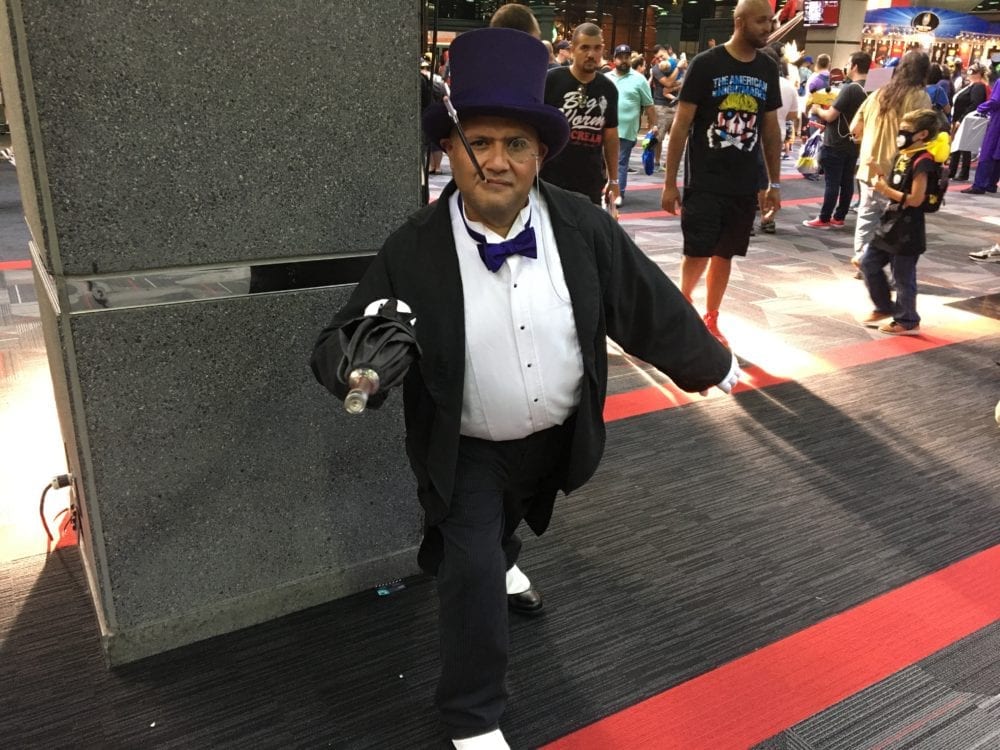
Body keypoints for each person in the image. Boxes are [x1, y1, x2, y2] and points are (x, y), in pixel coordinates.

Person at [310, 27, 739, 750]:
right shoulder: (414, 246)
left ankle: (502, 556)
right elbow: (342, 336)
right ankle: (473, 716)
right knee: (470, 566)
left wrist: (710, 363)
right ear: (449, 150)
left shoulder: (581, 226)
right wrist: (357, 367)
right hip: (466, 447)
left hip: (555, 437)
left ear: (540, 153)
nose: (497, 160)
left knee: (508, 520)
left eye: (516, 143)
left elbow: (643, 302)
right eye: (478, 141)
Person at [660, 0, 783, 348]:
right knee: (698, 251)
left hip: (743, 183)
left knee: (725, 253)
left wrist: (773, 183)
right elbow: (681, 126)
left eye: (770, 21)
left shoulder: (767, 68)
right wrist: (669, 183)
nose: (768, 28)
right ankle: (683, 305)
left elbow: (770, 130)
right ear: (740, 22)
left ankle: (712, 316)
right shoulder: (706, 64)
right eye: (761, 21)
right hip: (704, 180)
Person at [860, 109, 944, 335]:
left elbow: (916, 199)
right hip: (891, 222)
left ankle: (907, 319)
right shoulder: (904, 155)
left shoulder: (923, 161)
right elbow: (896, 187)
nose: (901, 134)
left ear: (922, 134)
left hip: (908, 227)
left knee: (903, 276)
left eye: (906, 130)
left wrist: (885, 189)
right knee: (868, 263)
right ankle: (884, 306)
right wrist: (879, 174)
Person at [849, 50, 931, 267]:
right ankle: (882, 264)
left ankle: (862, 259)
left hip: (869, 164)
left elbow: (854, 128)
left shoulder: (878, 93)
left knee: (867, 215)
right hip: (897, 169)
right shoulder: (919, 97)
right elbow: (924, 132)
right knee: (895, 222)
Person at [542, 23, 620, 208]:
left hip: (590, 180)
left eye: (597, 48)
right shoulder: (551, 81)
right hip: (551, 178)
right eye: (585, 48)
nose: (591, 54)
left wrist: (614, 179)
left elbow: (610, 136)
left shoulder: (608, 89)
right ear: (573, 50)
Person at [803, 51, 871, 229]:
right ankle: (839, 217)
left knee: (832, 182)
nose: (846, 67)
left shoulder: (850, 89)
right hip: (855, 142)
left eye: (848, 63)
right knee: (847, 181)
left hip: (836, 141)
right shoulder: (872, 89)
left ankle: (824, 218)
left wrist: (817, 110)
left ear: (855, 66)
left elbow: (831, 115)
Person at [609, 44, 655, 206]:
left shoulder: (639, 79)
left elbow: (649, 105)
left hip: (627, 130)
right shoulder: (606, 78)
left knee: (620, 162)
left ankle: (618, 193)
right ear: (614, 59)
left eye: (627, 57)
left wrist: (653, 126)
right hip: (606, 129)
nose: (624, 60)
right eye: (620, 57)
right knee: (604, 162)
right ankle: (606, 190)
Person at [960, 76, 1000, 195]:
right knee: (997, 154)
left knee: (987, 151)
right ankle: (991, 184)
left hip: (997, 121)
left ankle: (980, 184)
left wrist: (981, 108)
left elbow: (995, 101)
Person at [949, 63, 987, 181]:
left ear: (979, 73)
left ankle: (962, 173)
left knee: (964, 146)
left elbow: (975, 104)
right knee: (957, 145)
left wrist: (962, 119)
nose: (969, 72)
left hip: (966, 120)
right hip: (960, 118)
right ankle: (952, 170)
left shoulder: (978, 86)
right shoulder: (970, 85)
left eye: (972, 70)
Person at [649, 44, 682, 169]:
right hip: (661, 106)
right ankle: (656, 162)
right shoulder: (656, 68)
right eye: (657, 58)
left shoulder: (677, 62)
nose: (660, 59)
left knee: (675, 138)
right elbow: (667, 83)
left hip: (676, 105)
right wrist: (678, 69)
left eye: (661, 56)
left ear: (667, 51)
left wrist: (677, 83)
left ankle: (670, 163)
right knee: (658, 137)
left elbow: (686, 77)